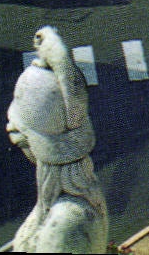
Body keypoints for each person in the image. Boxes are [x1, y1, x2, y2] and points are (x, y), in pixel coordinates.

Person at [7, 26, 109, 252]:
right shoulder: (60, 207)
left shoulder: (67, 223)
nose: (10, 128)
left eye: (21, 131)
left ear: (44, 145)